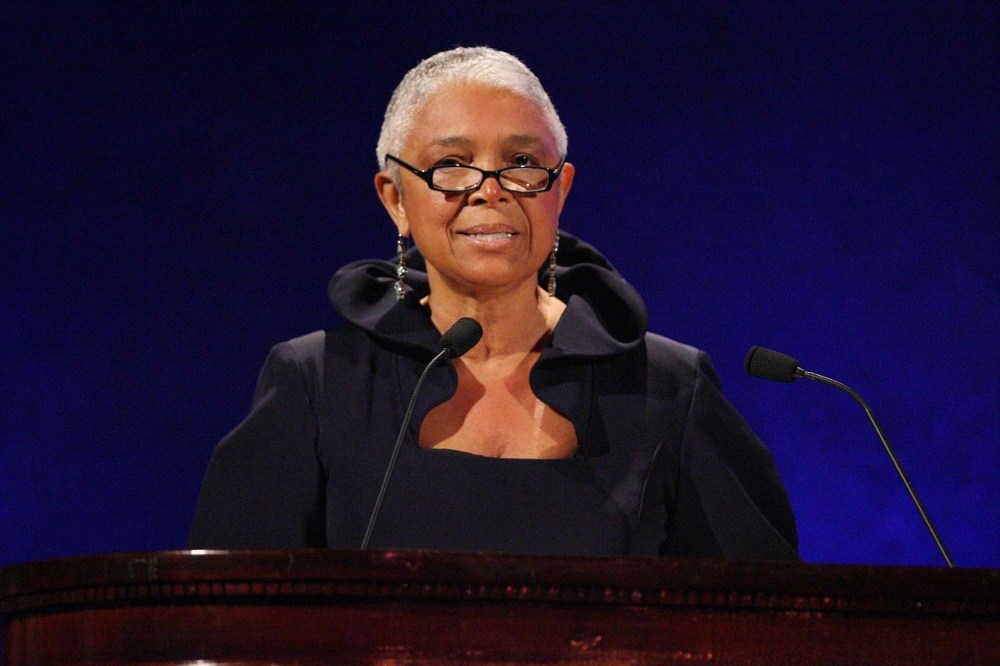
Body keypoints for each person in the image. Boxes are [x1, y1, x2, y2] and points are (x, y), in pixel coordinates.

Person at [189, 46, 798, 560]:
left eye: (523, 163)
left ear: (560, 191)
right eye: (451, 165)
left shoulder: (668, 387)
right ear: (395, 199)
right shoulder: (316, 383)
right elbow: (226, 616)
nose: (489, 190)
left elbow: (766, 618)